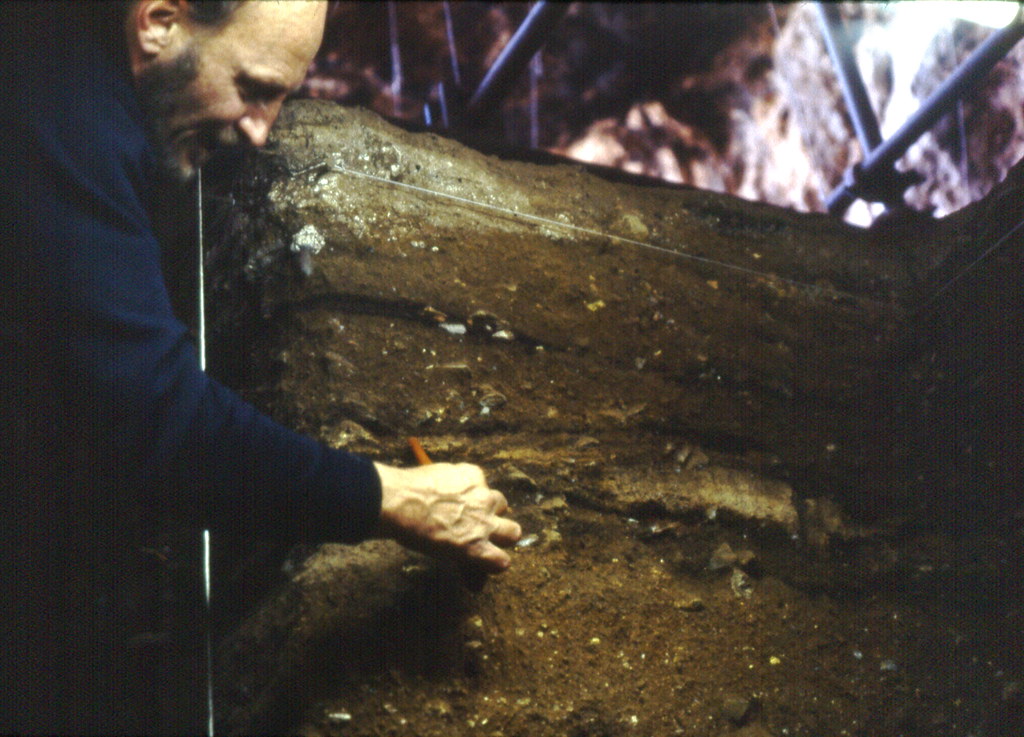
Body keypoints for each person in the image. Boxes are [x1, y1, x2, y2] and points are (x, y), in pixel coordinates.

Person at [0, 1, 521, 732]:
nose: (260, 130)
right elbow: (164, 428)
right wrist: (393, 497)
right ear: (158, 21)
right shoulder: (55, 117)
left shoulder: (73, 59)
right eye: (252, 88)